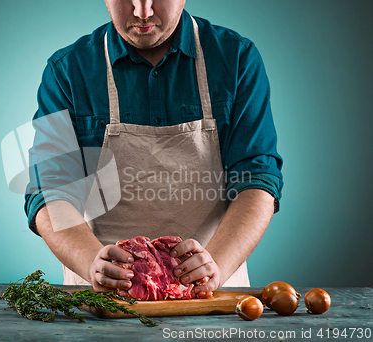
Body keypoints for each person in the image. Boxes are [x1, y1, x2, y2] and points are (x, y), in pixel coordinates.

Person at [24, 0, 283, 297]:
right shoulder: (68, 71)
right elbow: (50, 192)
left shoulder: (236, 58)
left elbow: (257, 181)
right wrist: (89, 262)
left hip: (212, 293)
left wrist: (217, 266)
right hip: (106, 299)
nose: (142, 11)